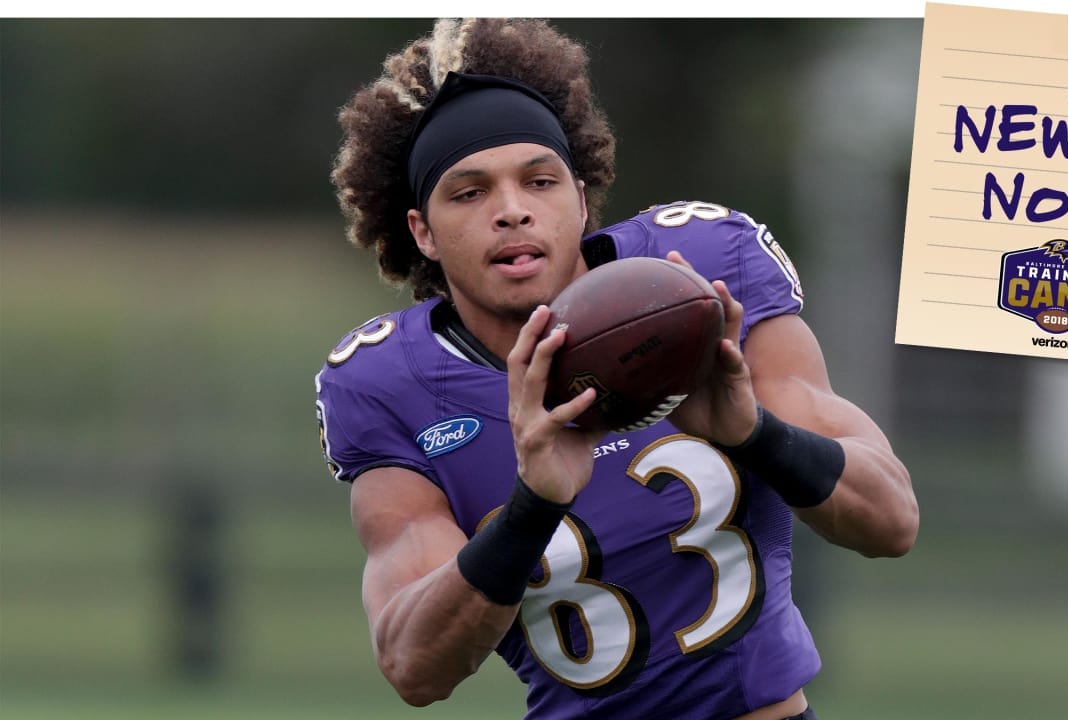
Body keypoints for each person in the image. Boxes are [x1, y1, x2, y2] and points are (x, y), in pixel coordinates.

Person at [315, 18, 918, 720]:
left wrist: (755, 434)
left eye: (538, 181)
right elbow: (413, 666)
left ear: (580, 197)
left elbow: (891, 521)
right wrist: (531, 507)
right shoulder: (392, 383)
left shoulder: (700, 273)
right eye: (470, 192)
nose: (512, 211)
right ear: (423, 231)